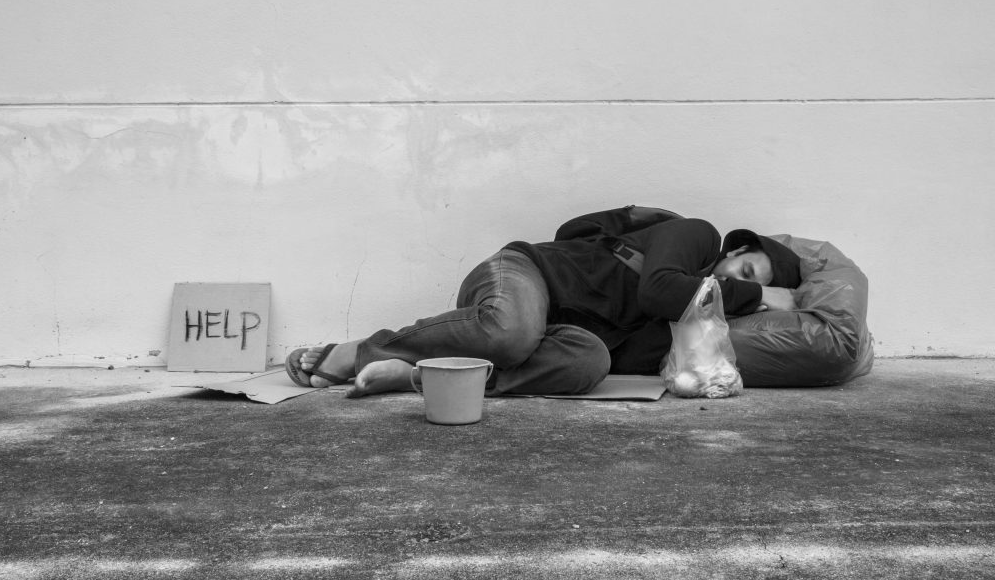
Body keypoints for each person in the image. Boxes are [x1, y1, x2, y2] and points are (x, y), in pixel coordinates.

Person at [286, 205, 801, 398]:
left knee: (590, 363)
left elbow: (620, 357)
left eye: (752, 283)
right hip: (522, 275)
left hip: (548, 333)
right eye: (747, 269)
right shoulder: (695, 236)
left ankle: (421, 375)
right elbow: (658, 288)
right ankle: (367, 350)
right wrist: (761, 295)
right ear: (734, 250)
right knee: (511, 331)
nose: (741, 281)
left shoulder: (688, 325)